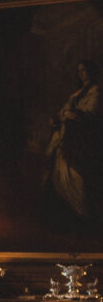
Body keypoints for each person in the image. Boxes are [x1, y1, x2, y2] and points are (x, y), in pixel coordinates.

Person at [43, 59, 101, 222]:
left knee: (76, 176)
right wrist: (58, 118)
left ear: (91, 71)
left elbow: (91, 114)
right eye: (80, 71)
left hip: (82, 141)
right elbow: (65, 112)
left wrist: (72, 115)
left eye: (84, 70)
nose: (82, 73)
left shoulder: (96, 92)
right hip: (66, 138)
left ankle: (82, 215)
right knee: (57, 173)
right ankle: (62, 215)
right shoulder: (76, 93)